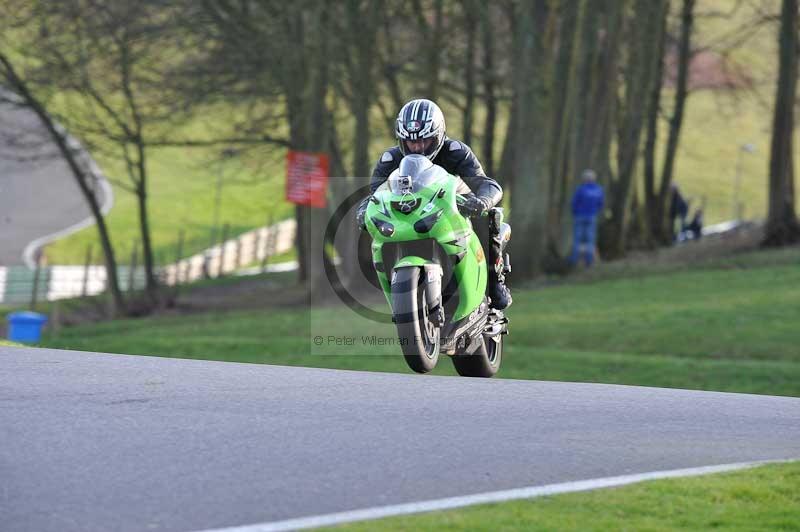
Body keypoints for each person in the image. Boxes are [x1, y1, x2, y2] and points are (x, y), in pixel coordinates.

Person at [356, 98, 511, 310]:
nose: (418, 148)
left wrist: (482, 201)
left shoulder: (456, 151)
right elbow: (376, 195)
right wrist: (365, 209)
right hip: (413, 214)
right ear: (402, 140)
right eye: (411, 142)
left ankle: (495, 282)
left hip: (457, 202)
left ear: (438, 136)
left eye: (425, 141)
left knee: (489, 216)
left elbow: (488, 185)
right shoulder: (389, 159)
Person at [568, 169, 604, 268]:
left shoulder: (581, 189)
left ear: (584, 179)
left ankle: (574, 260)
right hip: (592, 217)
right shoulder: (598, 190)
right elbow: (600, 204)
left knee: (577, 239)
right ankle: (589, 260)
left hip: (579, 216)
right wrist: (595, 211)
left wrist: (575, 213)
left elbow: (574, 203)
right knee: (590, 239)